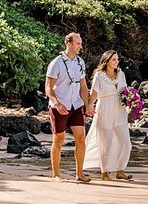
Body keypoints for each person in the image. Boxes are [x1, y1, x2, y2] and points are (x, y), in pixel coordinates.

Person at [45, 32, 94, 183]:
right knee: (59, 139)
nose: (81, 46)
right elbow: (48, 87)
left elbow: (83, 86)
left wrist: (87, 105)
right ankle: (56, 175)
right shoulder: (56, 63)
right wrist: (57, 103)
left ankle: (79, 173)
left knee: (81, 138)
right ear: (69, 43)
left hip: (76, 105)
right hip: (59, 106)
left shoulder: (80, 62)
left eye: (80, 43)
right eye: (78, 43)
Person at [83, 50, 133, 181]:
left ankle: (120, 170)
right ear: (107, 61)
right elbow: (94, 94)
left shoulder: (121, 74)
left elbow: (126, 91)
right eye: (114, 60)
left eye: (117, 59)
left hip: (120, 110)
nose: (116, 62)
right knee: (107, 143)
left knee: (126, 143)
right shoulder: (100, 76)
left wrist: (133, 101)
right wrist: (89, 106)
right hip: (105, 109)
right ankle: (104, 173)